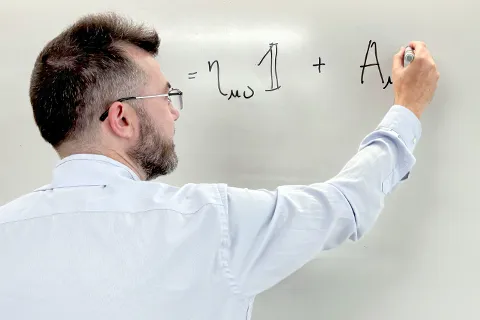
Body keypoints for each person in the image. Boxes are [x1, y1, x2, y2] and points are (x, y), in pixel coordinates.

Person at [0, 12, 439, 320]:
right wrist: (408, 109)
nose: (175, 112)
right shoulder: (208, 224)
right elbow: (347, 204)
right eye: (165, 97)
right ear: (122, 118)